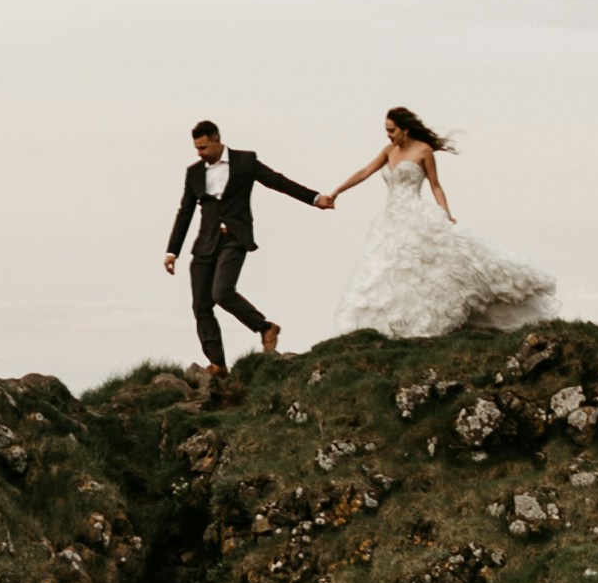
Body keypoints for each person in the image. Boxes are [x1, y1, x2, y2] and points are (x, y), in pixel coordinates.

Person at [319, 109, 557, 343]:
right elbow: (364, 172)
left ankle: (424, 324)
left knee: (422, 272)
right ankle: (390, 327)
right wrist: (337, 191)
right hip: (389, 221)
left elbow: (435, 186)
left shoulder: (424, 151)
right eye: (386, 131)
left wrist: (446, 214)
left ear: (405, 130)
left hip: (415, 217)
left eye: (392, 131)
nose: (388, 135)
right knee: (385, 274)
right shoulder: (389, 151)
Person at [163, 122, 335, 402]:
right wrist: (173, 251)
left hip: (234, 238)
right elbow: (185, 212)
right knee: (201, 304)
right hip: (204, 244)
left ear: (217, 140)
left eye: (204, 147)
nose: (200, 153)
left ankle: (265, 328)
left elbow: (278, 182)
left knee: (222, 292)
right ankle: (218, 364)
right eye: (196, 148)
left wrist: (315, 199)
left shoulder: (245, 161)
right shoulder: (194, 173)